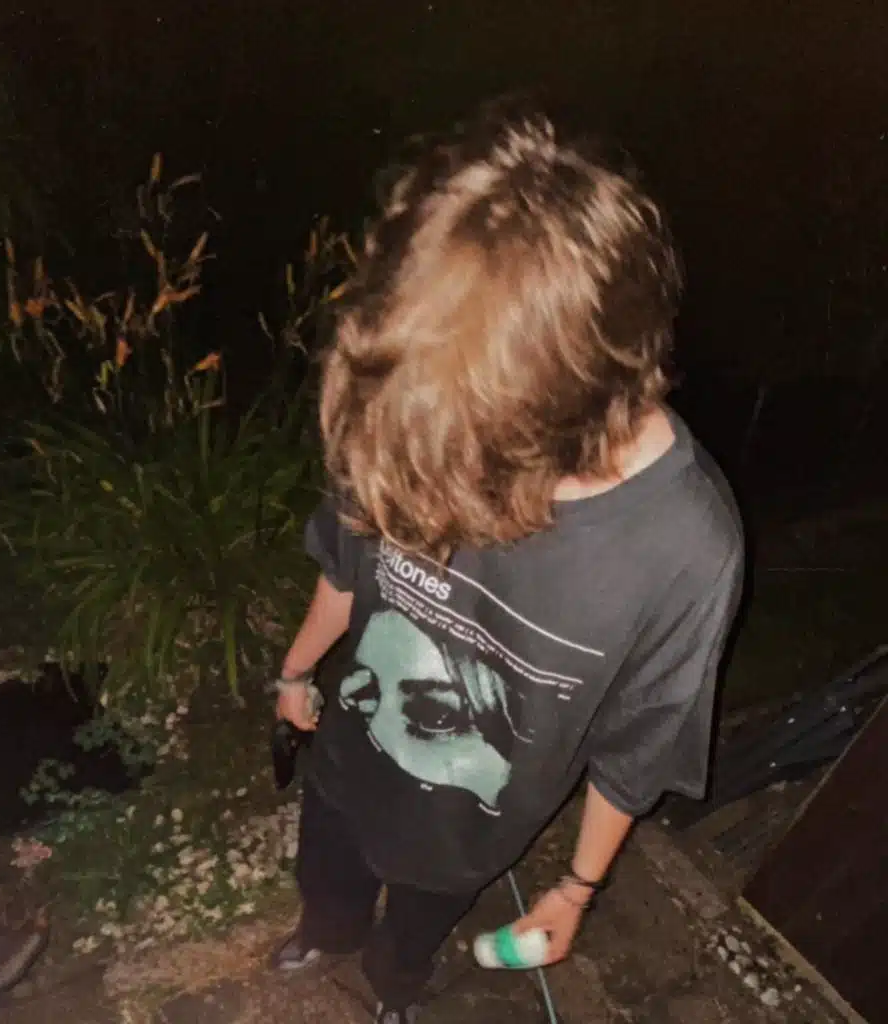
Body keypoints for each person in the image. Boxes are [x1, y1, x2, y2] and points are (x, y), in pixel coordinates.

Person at [272, 96, 745, 1024]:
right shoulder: (412, 410)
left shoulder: (686, 549)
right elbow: (344, 573)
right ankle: (325, 932)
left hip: (466, 836)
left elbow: (637, 750)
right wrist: (293, 674)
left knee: (412, 937)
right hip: (346, 768)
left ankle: (393, 991)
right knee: (325, 879)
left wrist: (576, 889)